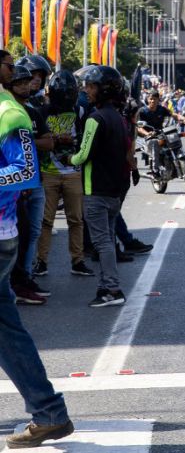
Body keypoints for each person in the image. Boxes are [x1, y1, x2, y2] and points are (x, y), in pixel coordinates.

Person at [0, 50, 74, 449]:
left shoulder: (9, 113)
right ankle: (49, 413)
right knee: (6, 331)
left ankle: (49, 412)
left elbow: (25, 170)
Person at [69, 66, 131, 307]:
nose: (86, 90)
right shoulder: (118, 117)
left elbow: (83, 155)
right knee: (107, 240)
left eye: (91, 86)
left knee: (102, 243)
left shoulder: (95, 119)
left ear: (103, 90)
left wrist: (68, 159)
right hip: (114, 192)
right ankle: (106, 286)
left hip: (96, 191)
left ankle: (112, 290)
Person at [34, 70, 94, 279]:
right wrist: (57, 140)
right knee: (46, 221)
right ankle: (41, 261)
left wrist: (73, 143)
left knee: (76, 219)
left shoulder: (80, 111)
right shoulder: (42, 112)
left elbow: (87, 139)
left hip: (72, 173)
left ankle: (77, 261)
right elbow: (37, 142)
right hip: (48, 173)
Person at [7, 63, 52, 304]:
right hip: (13, 186)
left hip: (34, 182)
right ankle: (15, 284)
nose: (27, 85)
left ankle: (24, 278)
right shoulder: (7, 113)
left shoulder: (33, 112)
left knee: (32, 232)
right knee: (15, 235)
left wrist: (26, 142)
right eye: (21, 82)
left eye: (30, 81)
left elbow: (49, 143)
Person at [136, 91, 171, 178]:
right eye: (151, 99)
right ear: (148, 100)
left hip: (161, 134)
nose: (152, 101)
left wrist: (182, 118)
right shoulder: (142, 111)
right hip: (148, 137)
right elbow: (139, 127)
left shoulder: (162, 109)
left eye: (155, 99)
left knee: (174, 139)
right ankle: (155, 171)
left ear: (158, 100)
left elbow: (173, 115)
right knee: (155, 142)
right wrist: (147, 133)